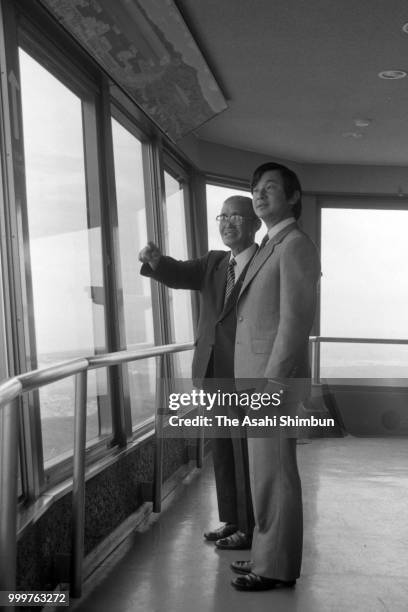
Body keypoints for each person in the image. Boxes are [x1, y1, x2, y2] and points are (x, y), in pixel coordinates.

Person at [139, 195, 261, 550]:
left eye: (236, 216)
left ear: (255, 224)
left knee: (245, 452)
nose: (226, 223)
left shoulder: (266, 262)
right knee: (222, 450)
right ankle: (234, 519)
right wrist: (157, 261)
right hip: (211, 371)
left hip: (246, 373)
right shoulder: (213, 263)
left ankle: (252, 526)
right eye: (222, 216)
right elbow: (178, 274)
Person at [230, 163, 321, 590]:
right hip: (256, 377)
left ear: (293, 197)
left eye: (270, 188)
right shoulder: (270, 244)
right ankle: (265, 554)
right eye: (255, 189)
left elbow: (294, 321)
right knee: (263, 474)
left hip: (273, 379)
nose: (259, 195)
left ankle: (276, 567)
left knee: (277, 474)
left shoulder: (295, 245)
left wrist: (273, 380)